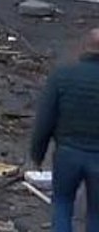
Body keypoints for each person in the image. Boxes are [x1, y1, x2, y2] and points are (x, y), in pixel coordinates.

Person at [29, 28, 99, 232]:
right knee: (96, 212)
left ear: (85, 47)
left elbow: (45, 120)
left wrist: (37, 154)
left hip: (68, 154)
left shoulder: (62, 75)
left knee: (62, 204)